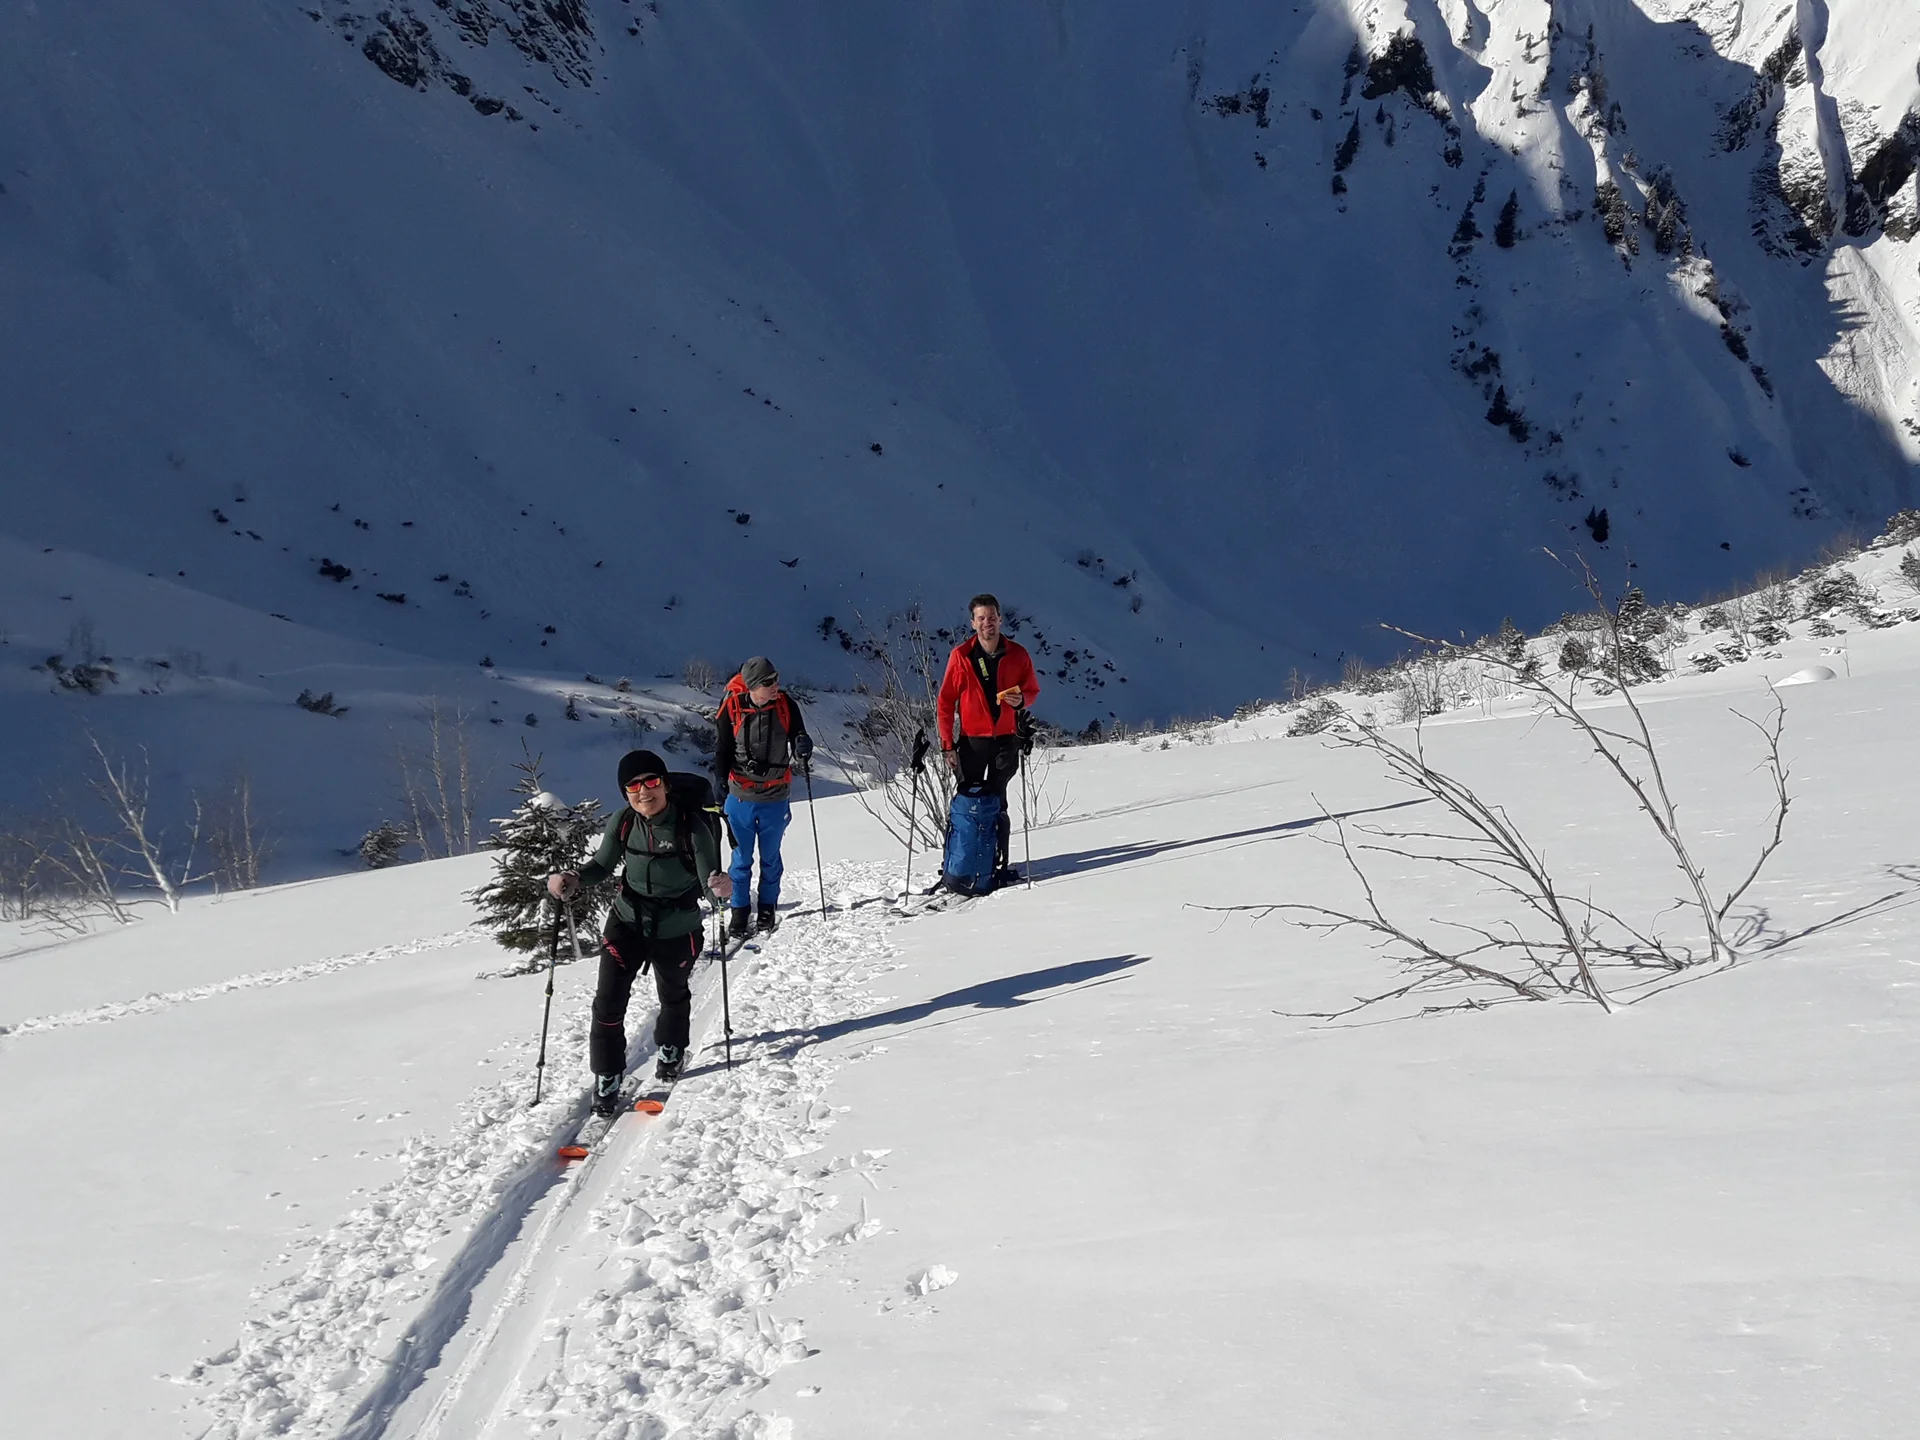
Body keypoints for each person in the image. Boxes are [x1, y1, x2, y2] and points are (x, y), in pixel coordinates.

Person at [548, 749, 730, 1109]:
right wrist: (573, 877)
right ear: (625, 793)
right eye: (633, 786)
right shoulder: (623, 821)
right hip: (627, 921)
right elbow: (602, 864)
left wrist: (721, 889)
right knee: (607, 1003)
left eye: (651, 781)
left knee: (674, 995)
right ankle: (607, 1073)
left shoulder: (691, 825)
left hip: (678, 927)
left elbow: (710, 882)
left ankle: (672, 1048)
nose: (643, 791)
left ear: (665, 784)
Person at [935, 593, 1040, 879]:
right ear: (972, 623)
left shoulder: (1018, 654)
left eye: (991, 617)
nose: (987, 623)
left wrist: (1023, 701)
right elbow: (945, 702)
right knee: (966, 804)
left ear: (1000, 619)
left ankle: (996, 863)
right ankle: (961, 860)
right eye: (981, 618)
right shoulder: (962, 656)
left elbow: (1032, 690)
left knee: (997, 801)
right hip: (971, 741)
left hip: (1007, 739)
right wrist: (947, 745)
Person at [713, 655, 813, 937]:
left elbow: (798, 736)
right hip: (741, 795)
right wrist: (720, 780)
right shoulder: (731, 707)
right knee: (741, 858)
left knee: (770, 856)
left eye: (776, 679)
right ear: (753, 686)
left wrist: (803, 745)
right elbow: (722, 749)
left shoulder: (786, 704)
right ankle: (740, 909)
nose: (775, 686)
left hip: (775, 794)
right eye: (768, 682)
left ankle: (767, 905)